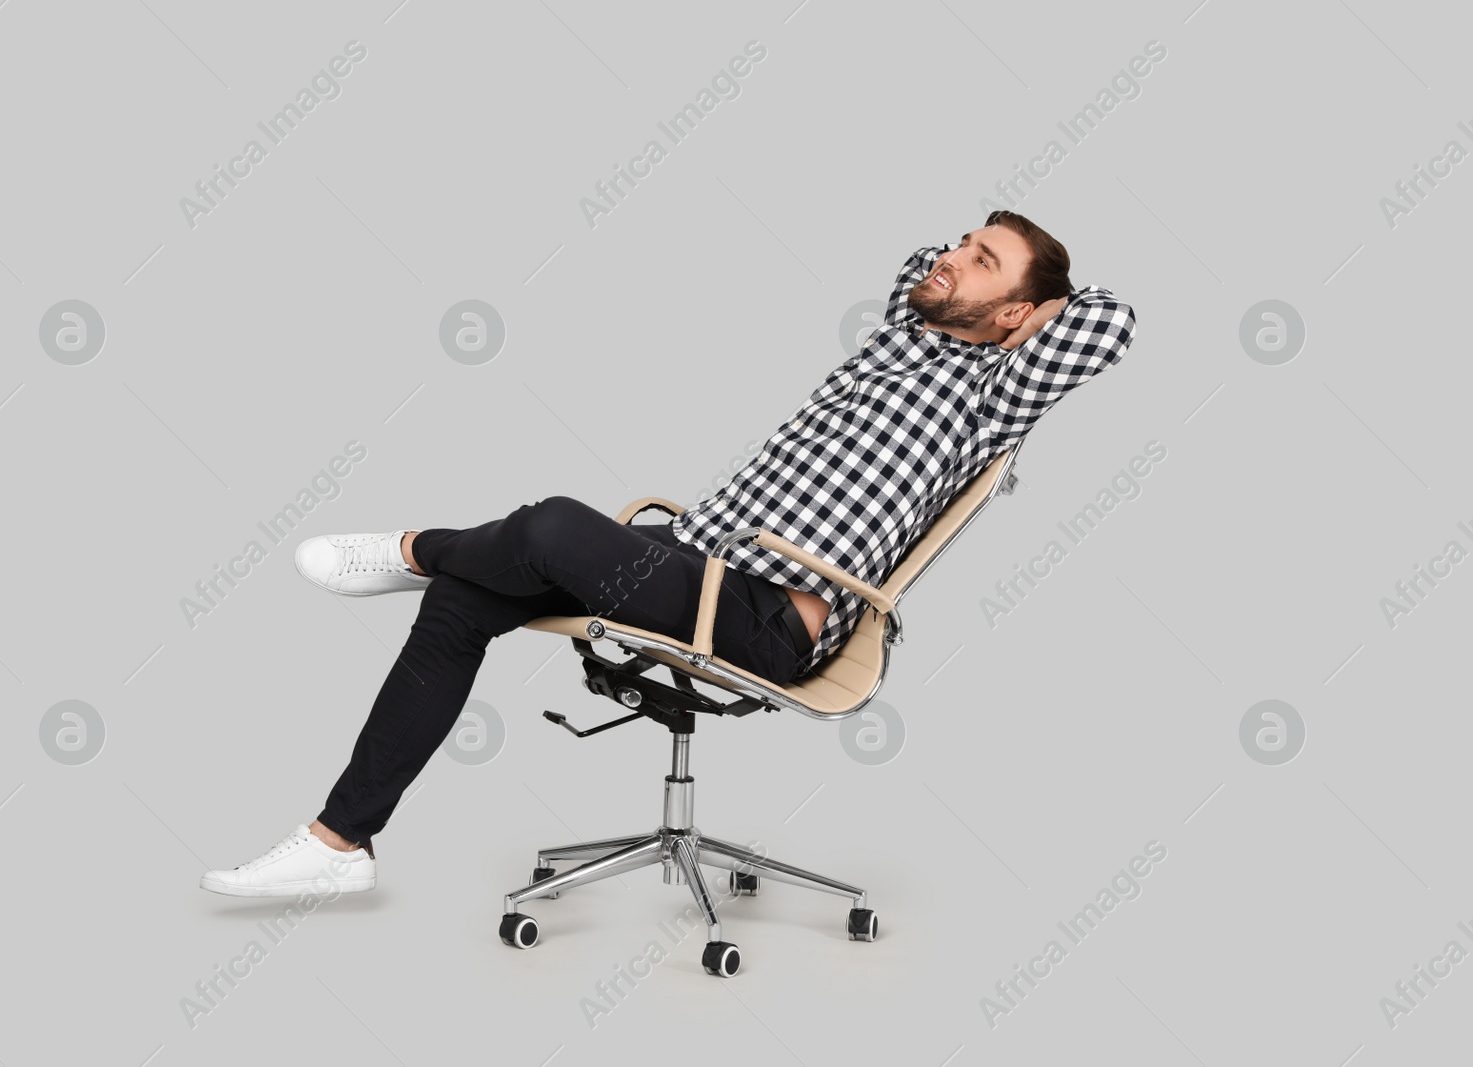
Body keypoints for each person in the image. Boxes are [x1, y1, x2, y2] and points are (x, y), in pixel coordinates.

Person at [198, 209, 1137, 897]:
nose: (950, 259)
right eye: (962, 242)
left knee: (547, 525)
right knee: (462, 603)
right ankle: (337, 845)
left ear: (1023, 315)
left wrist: (1035, 305)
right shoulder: (904, 335)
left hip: (766, 609)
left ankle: (414, 545)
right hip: (698, 557)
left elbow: (1111, 321)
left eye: (982, 260)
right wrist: (968, 268)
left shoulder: (993, 394)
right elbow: (914, 268)